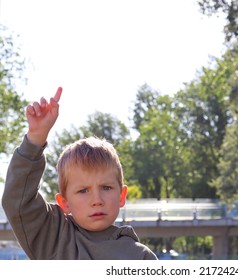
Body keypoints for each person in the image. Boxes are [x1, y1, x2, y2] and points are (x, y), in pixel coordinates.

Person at [1, 87, 158, 260]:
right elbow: (18, 201)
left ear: (121, 195)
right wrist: (35, 138)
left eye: (106, 187)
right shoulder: (53, 238)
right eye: (83, 190)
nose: (97, 200)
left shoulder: (141, 257)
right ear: (64, 202)